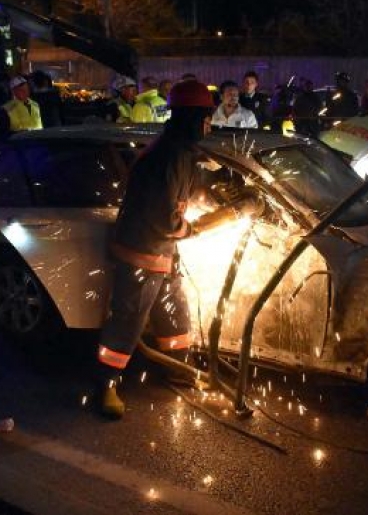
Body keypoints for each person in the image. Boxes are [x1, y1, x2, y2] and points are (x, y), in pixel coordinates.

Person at [93, 79, 262, 419]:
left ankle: (179, 369)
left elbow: (193, 187)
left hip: (162, 250)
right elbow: (166, 220)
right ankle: (105, 384)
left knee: (173, 307)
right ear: (192, 117)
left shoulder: (181, 151)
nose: (209, 123)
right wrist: (207, 223)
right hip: (141, 251)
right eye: (205, 116)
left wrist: (224, 195)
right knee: (128, 320)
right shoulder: (167, 156)